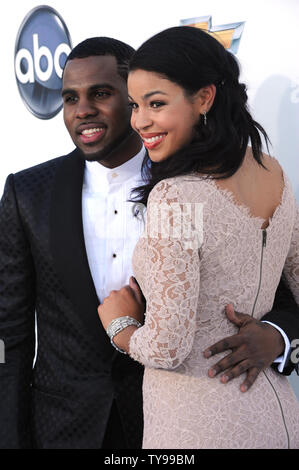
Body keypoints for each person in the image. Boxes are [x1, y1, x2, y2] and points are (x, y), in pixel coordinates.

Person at [0, 35, 297, 450]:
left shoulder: (191, 186)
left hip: (179, 417)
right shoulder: (28, 191)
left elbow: (274, 289)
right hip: (65, 426)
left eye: (103, 94)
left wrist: (278, 336)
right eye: (69, 98)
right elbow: (10, 333)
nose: (83, 110)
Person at [97, 27, 299, 449]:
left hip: (196, 423)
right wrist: (276, 337)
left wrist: (120, 326)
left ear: (204, 98)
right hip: (275, 415)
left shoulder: (177, 197)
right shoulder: (274, 172)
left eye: (156, 104)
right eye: (135, 105)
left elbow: (168, 347)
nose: (139, 122)